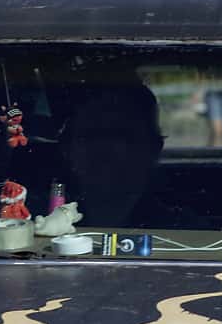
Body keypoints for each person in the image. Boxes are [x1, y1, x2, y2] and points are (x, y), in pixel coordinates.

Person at [60, 78, 165, 227]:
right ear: (67, 148)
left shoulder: (186, 231)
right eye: (91, 135)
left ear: (153, 147)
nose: (105, 148)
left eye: (122, 136)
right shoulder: (31, 217)